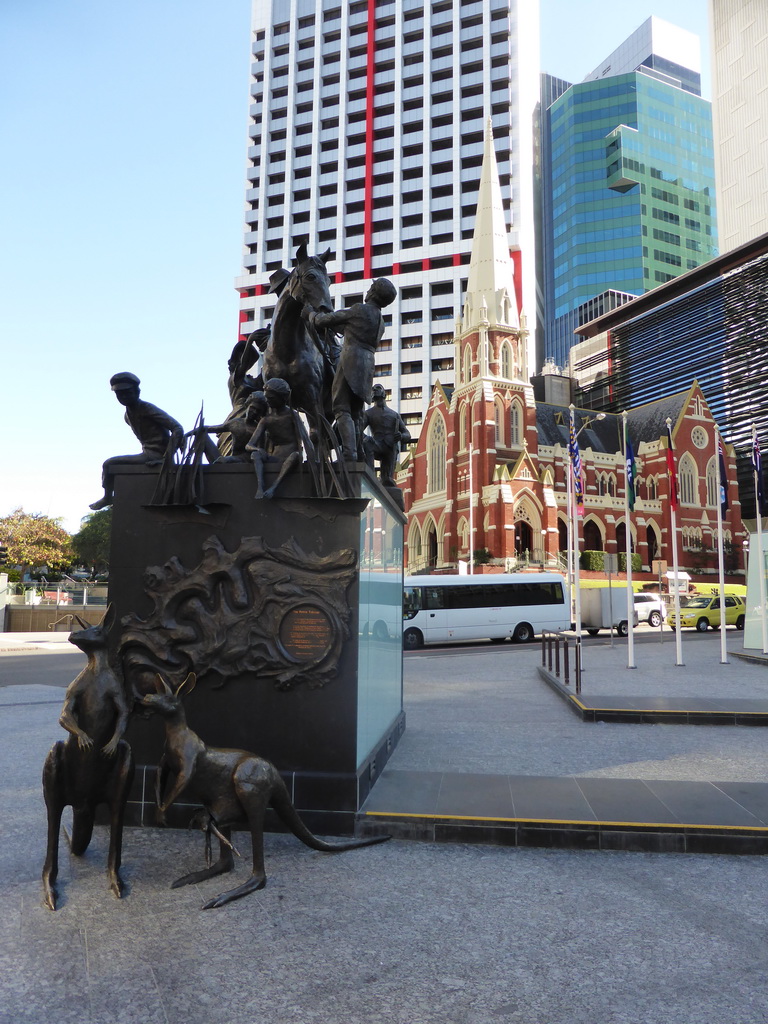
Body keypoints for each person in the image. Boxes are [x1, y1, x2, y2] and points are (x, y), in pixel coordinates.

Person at [302, 278, 397, 461]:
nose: (368, 290)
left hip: (351, 359)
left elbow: (323, 321)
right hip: (367, 365)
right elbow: (350, 328)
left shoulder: (359, 309)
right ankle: (358, 451)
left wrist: (310, 315)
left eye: (371, 288)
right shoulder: (380, 321)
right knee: (357, 412)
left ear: (373, 293)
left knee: (341, 407)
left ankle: (349, 453)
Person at [89, 373, 184, 510]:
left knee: (109, 464)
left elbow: (177, 428)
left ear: (137, 392)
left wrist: (166, 458)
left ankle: (108, 497)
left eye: (127, 392)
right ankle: (108, 496)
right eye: (119, 394)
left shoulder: (147, 408)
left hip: (157, 455)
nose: (123, 397)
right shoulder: (128, 416)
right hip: (147, 454)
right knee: (110, 465)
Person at [246, 378, 313, 499]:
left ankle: (274, 488)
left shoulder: (293, 415)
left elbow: (305, 439)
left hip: (292, 456)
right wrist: (256, 449)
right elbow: (249, 444)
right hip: (275, 458)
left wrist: (313, 458)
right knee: (255, 455)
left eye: (270, 398)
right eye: (266, 398)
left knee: (295, 455)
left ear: (282, 398)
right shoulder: (266, 420)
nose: (267, 401)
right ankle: (260, 487)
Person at [362, 383, 411, 487]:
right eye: (373, 389)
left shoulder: (394, 415)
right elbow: (358, 430)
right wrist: (366, 439)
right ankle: (370, 475)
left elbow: (407, 434)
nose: (375, 390)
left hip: (390, 448)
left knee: (387, 480)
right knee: (367, 442)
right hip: (376, 445)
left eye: (378, 388)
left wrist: (401, 436)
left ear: (384, 393)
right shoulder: (368, 413)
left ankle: (386, 478)